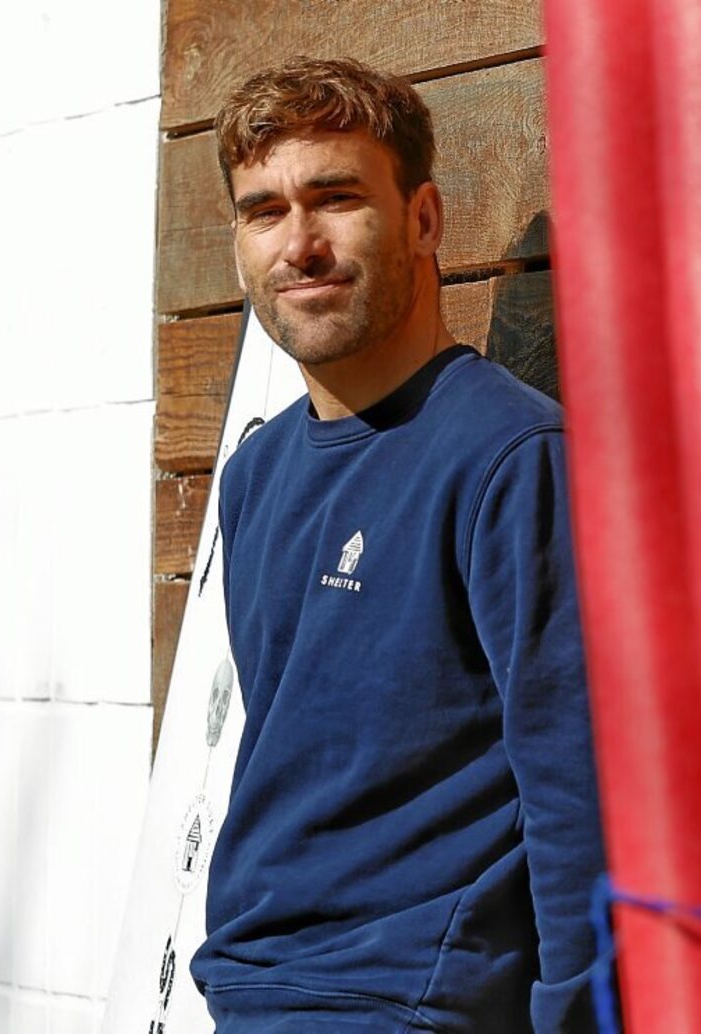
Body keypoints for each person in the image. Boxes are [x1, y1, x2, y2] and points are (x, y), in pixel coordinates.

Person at [188, 57, 606, 1033]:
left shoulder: (509, 457)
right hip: (250, 990)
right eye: (264, 212)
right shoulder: (256, 476)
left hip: (407, 1001)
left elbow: (576, 794)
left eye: (336, 199)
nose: (300, 245)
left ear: (423, 218)